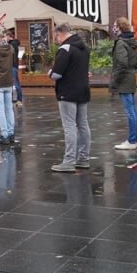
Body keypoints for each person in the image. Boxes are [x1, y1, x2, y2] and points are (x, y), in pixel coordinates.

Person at [48, 23, 92, 172]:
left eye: (56, 37)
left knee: (69, 127)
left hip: (67, 92)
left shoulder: (65, 49)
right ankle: (83, 158)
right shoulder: (84, 48)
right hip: (83, 90)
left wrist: (49, 73)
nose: (56, 40)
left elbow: (56, 75)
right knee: (83, 125)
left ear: (60, 34)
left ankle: (69, 161)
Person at [110, 17, 137, 150]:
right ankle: (134, 140)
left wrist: (115, 81)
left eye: (115, 26)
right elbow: (135, 62)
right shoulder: (131, 41)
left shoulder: (121, 43)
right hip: (130, 78)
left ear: (120, 27)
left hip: (124, 81)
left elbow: (122, 63)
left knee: (130, 112)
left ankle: (132, 141)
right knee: (134, 111)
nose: (113, 28)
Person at [6, 27, 23, 107]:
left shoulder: (12, 45)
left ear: (9, 36)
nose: (4, 38)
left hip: (12, 66)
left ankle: (19, 100)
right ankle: (16, 100)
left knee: (15, 84)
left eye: (5, 36)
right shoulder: (13, 44)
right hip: (13, 66)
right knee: (13, 84)